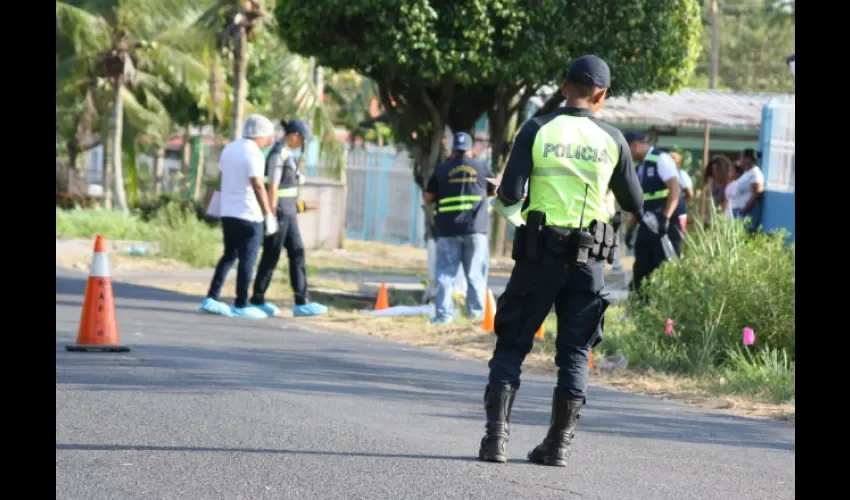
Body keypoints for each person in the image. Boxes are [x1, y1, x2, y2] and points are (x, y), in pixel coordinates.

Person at [478, 54, 643, 467]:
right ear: (601, 95)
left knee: (513, 343)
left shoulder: (536, 127)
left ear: (563, 85)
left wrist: (513, 193)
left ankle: (496, 441)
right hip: (587, 262)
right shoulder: (613, 139)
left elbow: (511, 194)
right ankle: (558, 446)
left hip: (538, 256)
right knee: (573, 352)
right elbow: (633, 202)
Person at [201, 115, 279, 319]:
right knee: (247, 260)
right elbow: (257, 184)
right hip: (249, 215)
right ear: (261, 135)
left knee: (228, 256)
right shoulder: (254, 153)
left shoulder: (230, 148)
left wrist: (214, 205)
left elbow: (221, 179)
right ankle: (241, 303)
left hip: (229, 213)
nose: (269, 140)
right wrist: (268, 214)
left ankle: (212, 296)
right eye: (268, 136)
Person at [249, 119, 328, 317]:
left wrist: (300, 207)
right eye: (302, 139)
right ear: (294, 135)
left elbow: (288, 189)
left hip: (289, 212)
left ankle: (301, 301)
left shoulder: (288, 154)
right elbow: (272, 187)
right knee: (271, 255)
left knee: (297, 252)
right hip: (280, 213)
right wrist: (271, 215)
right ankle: (257, 299)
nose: (303, 144)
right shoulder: (278, 154)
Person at [424, 132, 496, 325]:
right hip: (476, 230)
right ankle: (476, 316)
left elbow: (428, 198)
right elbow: (495, 191)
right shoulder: (482, 168)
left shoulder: (441, 170)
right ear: (471, 150)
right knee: (475, 274)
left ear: (453, 150)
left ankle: (443, 316)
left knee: (445, 275)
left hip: (448, 230)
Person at [623, 132, 682, 295]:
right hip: (646, 226)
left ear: (634, 145)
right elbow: (638, 202)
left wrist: (666, 218)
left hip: (664, 227)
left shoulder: (660, 159)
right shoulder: (638, 168)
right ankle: (639, 308)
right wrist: (629, 229)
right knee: (641, 268)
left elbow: (675, 189)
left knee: (667, 268)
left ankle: (670, 312)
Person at [730, 148, 765, 232]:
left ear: (748, 159)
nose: (740, 160)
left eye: (741, 157)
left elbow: (757, 194)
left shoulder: (755, 173)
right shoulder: (747, 173)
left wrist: (744, 210)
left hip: (747, 213)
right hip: (739, 212)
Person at [698, 155, 732, 225]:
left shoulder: (729, 182)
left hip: (723, 215)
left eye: (717, 169)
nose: (714, 171)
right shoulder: (710, 181)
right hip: (710, 214)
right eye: (712, 169)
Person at [669, 152, 693, 232]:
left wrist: (681, 201)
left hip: (677, 211)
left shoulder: (681, 174)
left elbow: (690, 193)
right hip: (677, 210)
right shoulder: (680, 173)